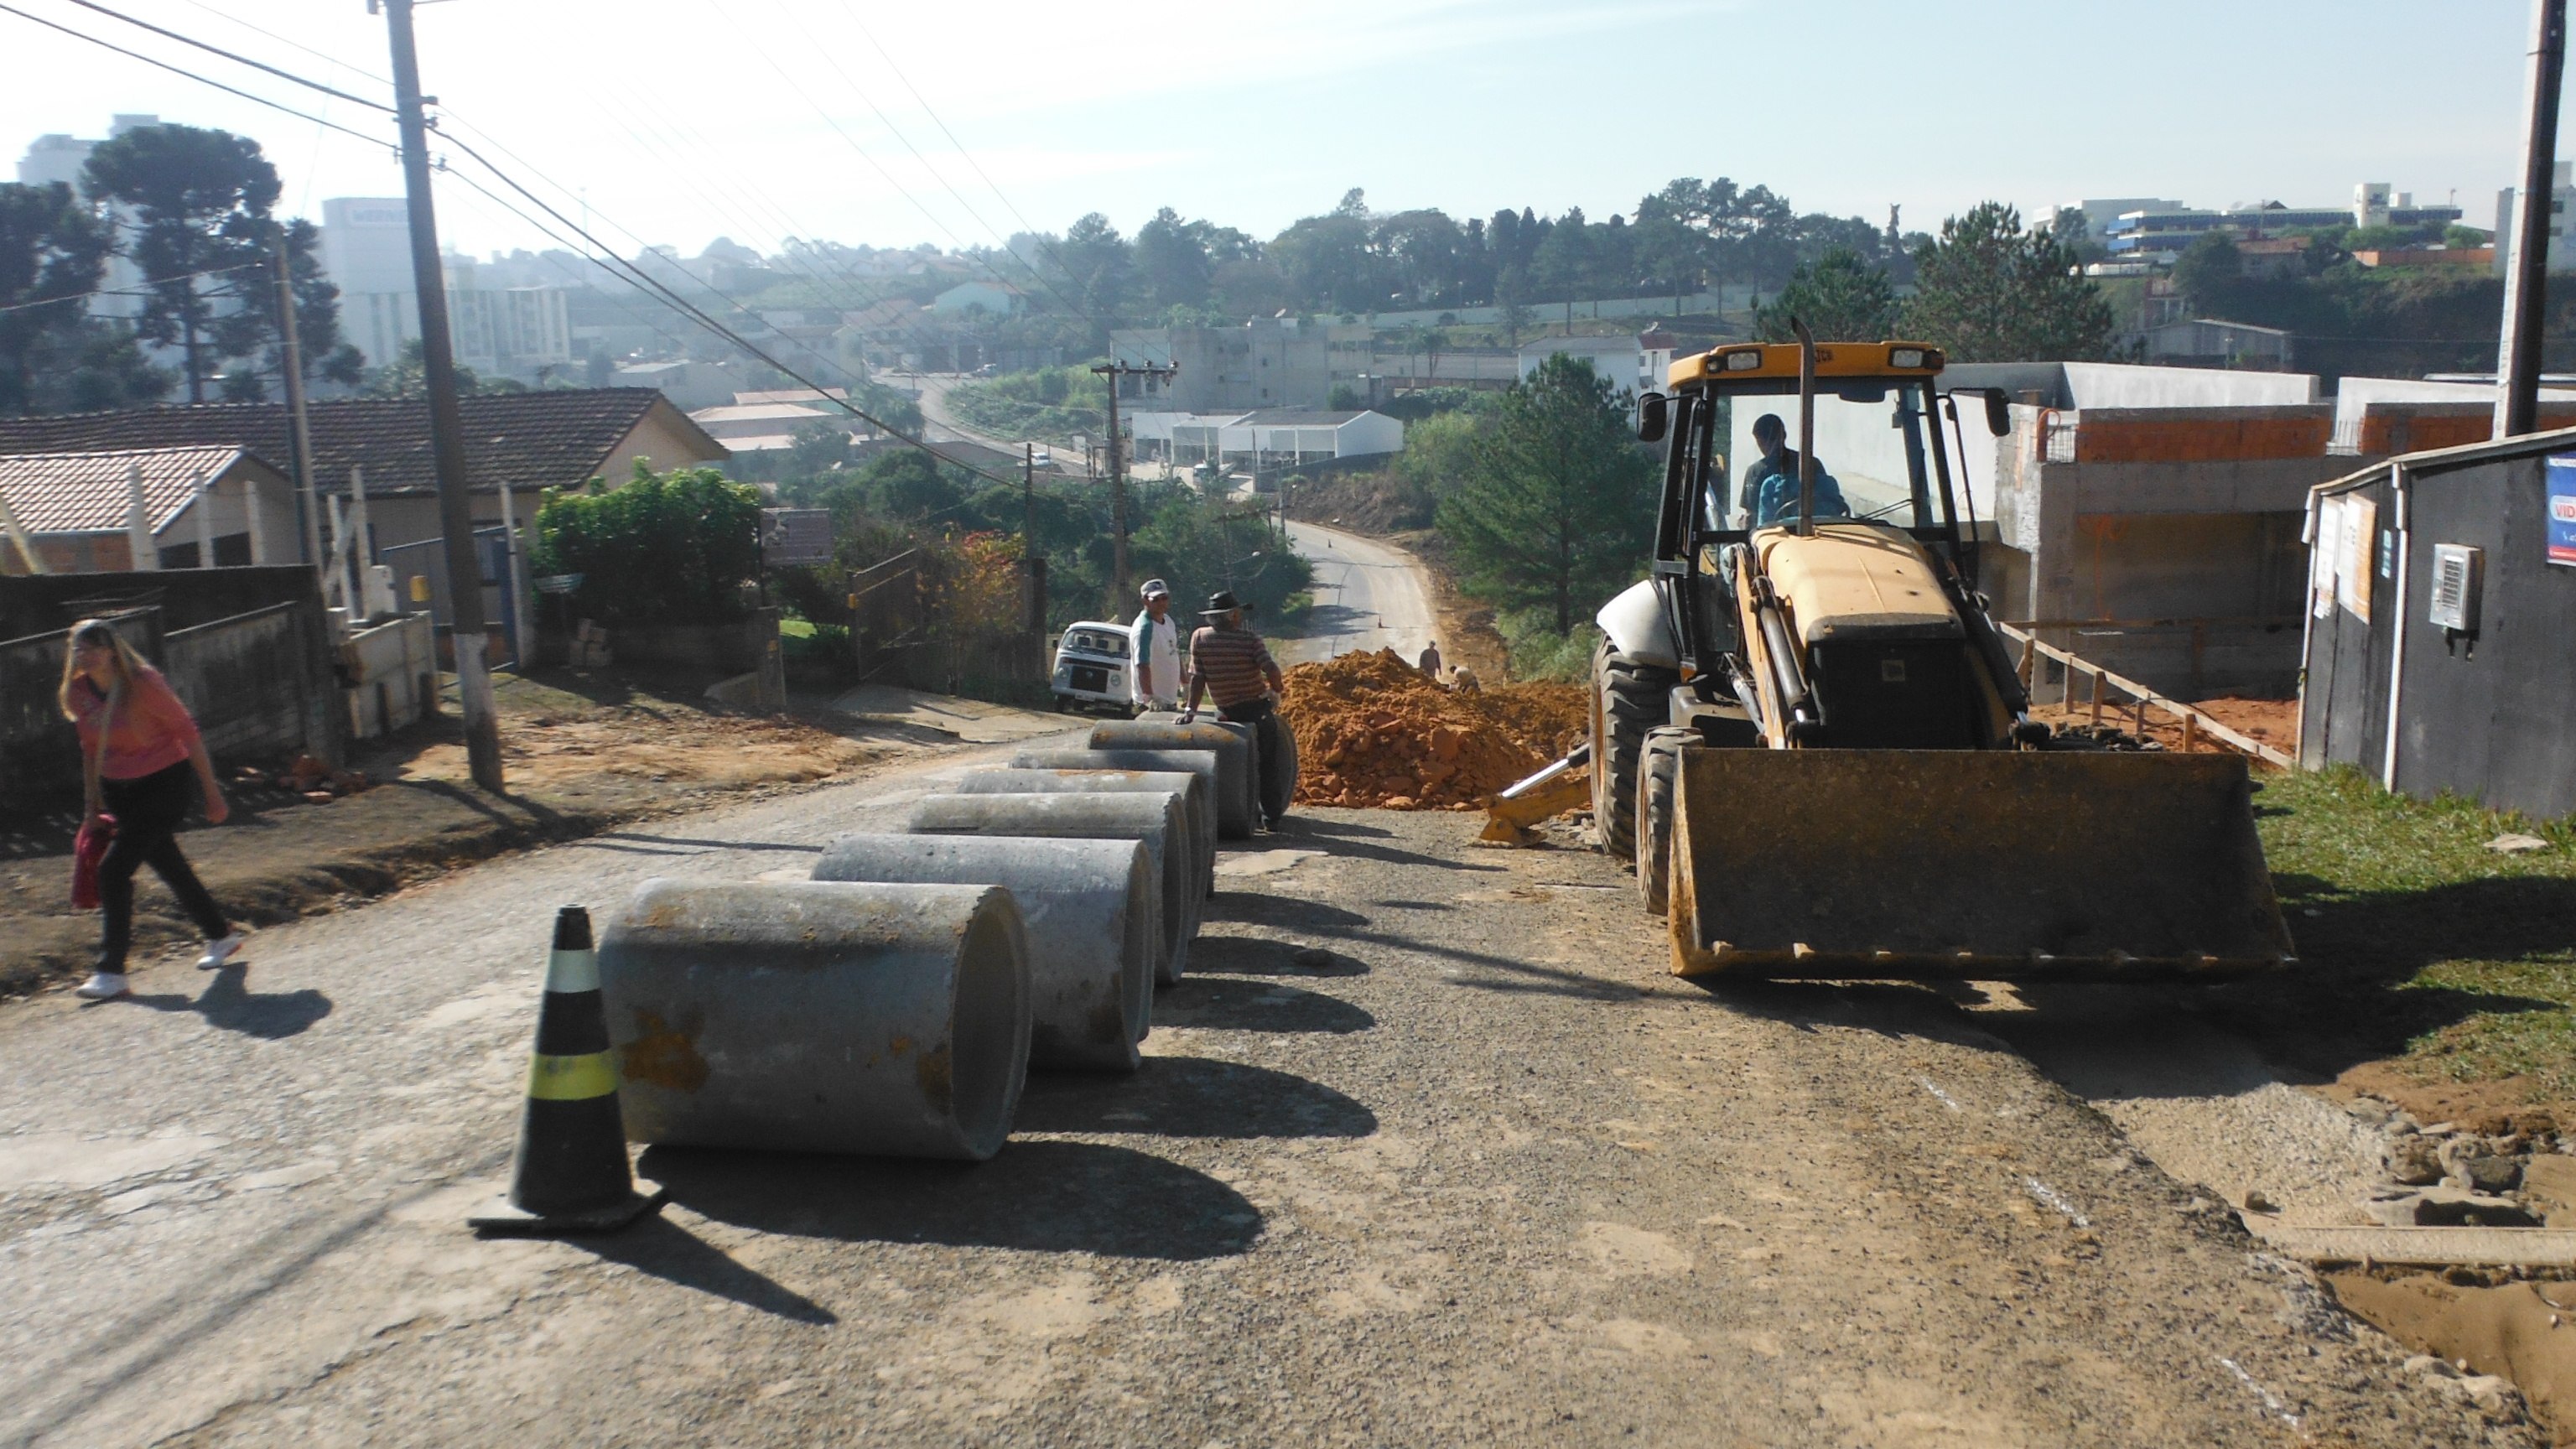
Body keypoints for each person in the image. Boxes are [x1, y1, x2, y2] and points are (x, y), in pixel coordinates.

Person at [60, 619, 242, 1000]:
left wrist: (212, 792)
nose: (83, 655)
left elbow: (188, 732)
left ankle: (111, 971)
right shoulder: (78, 692)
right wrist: (91, 804)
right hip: (119, 790)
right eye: (78, 648)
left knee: (113, 870)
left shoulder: (144, 684)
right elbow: (89, 749)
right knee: (169, 864)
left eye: (91, 647)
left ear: (111, 651)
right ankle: (221, 935)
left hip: (164, 784)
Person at [1179, 589, 1289, 828]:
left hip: (1226, 712)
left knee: (1236, 764)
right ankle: (1271, 817)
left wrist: (1190, 710)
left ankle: (1240, 811)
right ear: (1232, 616)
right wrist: (1276, 691)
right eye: (1237, 612)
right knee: (1268, 762)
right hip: (1255, 709)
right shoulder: (1249, 640)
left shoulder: (1199, 638)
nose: (1240, 616)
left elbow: (1197, 678)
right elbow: (1271, 669)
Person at [1739, 412, 1851, 528]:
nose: (1765, 447)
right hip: (1821, 533)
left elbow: (1751, 517)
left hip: (1778, 537)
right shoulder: (1812, 463)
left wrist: (1742, 524)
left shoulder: (1756, 472)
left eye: (1762, 443)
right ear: (1785, 435)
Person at [1129, 579, 1182, 712]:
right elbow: (1142, 665)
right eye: (1156, 599)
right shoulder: (1144, 629)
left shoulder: (1168, 621)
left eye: (1164, 598)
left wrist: (1185, 682)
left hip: (1169, 701)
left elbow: (1174, 651)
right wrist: (1149, 697)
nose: (1161, 602)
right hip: (1151, 706)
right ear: (1145, 600)